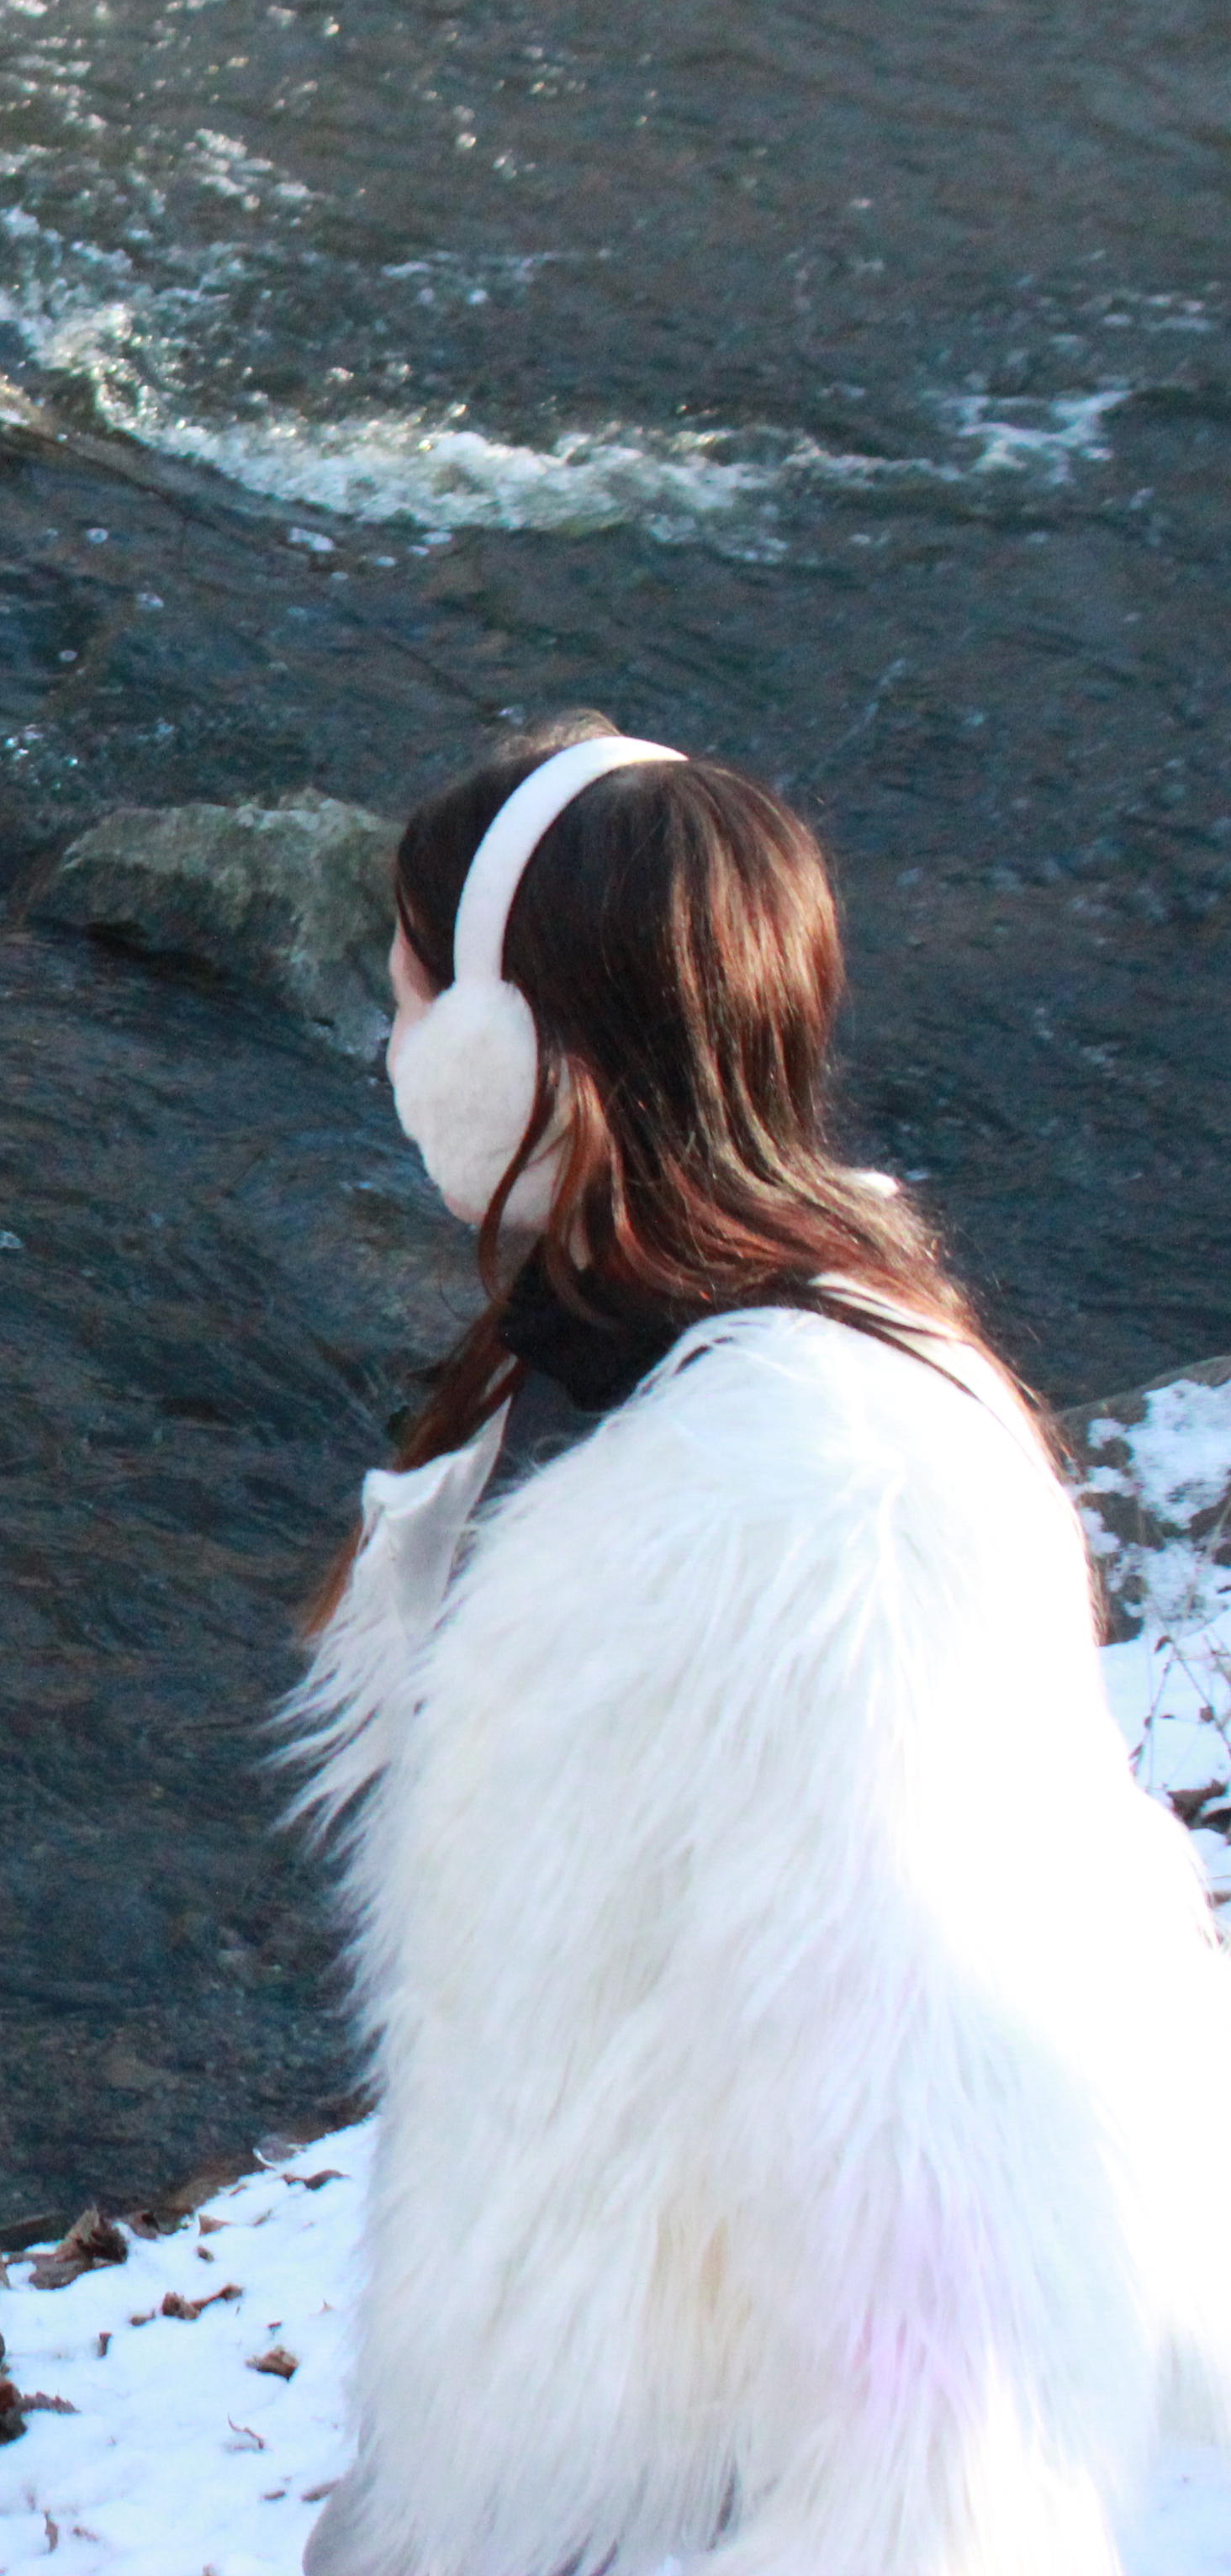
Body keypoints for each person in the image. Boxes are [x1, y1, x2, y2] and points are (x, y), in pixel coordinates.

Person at [295, 722, 1231, 2576]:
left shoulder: (823, 1521)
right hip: (542, 2468)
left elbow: (948, 2257)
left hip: (685, 2517)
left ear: (506, 1055)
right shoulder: (609, 1360)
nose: (397, 1052)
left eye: (413, 999)